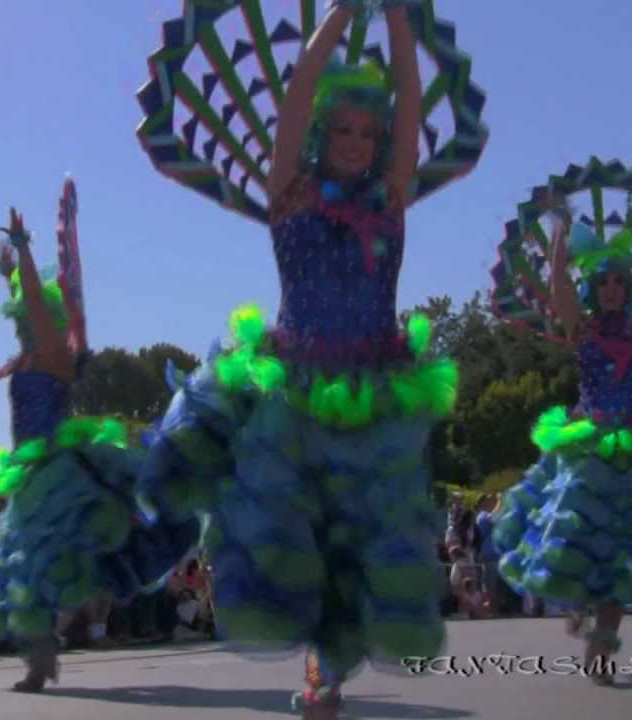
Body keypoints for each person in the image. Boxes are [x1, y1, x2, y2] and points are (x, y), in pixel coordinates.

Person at [137, 3, 457, 717]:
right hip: (294, 390)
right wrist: (343, 12)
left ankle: (329, 667)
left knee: (353, 540)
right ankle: (321, 668)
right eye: (340, 128)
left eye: (366, 132)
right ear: (320, 132)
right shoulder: (291, 193)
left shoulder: (391, 197)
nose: (354, 140)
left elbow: (407, 106)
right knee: (299, 532)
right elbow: (299, 88)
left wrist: (401, 21)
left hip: (374, 391)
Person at [0, 195, 201, 693]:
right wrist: (11, 268)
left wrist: (24, 252)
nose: (19, 314)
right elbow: (22, 305)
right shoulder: (31, 354)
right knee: (28, 562)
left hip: (59, 470)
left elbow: (30, 299)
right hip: (33, 473)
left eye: (27, 311)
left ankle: (47, 649)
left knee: (42, 558)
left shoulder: (53, 352)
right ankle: (44, 649)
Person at [493, 187, 632, 686]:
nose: (614, 289)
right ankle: (578, 608)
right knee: (575, 541)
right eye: (606, 282)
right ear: (594, 288)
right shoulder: (583, 331)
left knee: (623, 552)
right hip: (591, 448)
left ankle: (603, 639)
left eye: (622, 282)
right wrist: (559, 228)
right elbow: (557, 285)